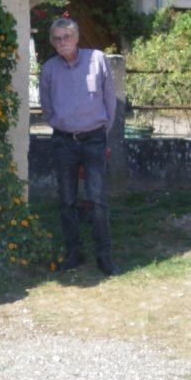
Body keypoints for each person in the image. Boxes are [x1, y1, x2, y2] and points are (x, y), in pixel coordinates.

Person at [38, 17, 120, 276]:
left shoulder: (97, 59)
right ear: (52, 42)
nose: (62, 42)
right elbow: (46, 106)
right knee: (67, 200)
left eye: (66, 37)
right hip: (64, 142)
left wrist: (102, 131)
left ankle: (104, 256)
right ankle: (74, 252)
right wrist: (60, 124)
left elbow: (110, 100)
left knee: (98, 200)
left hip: (94, 139)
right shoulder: (49, 69)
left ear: (76, 38)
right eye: (57, 38)